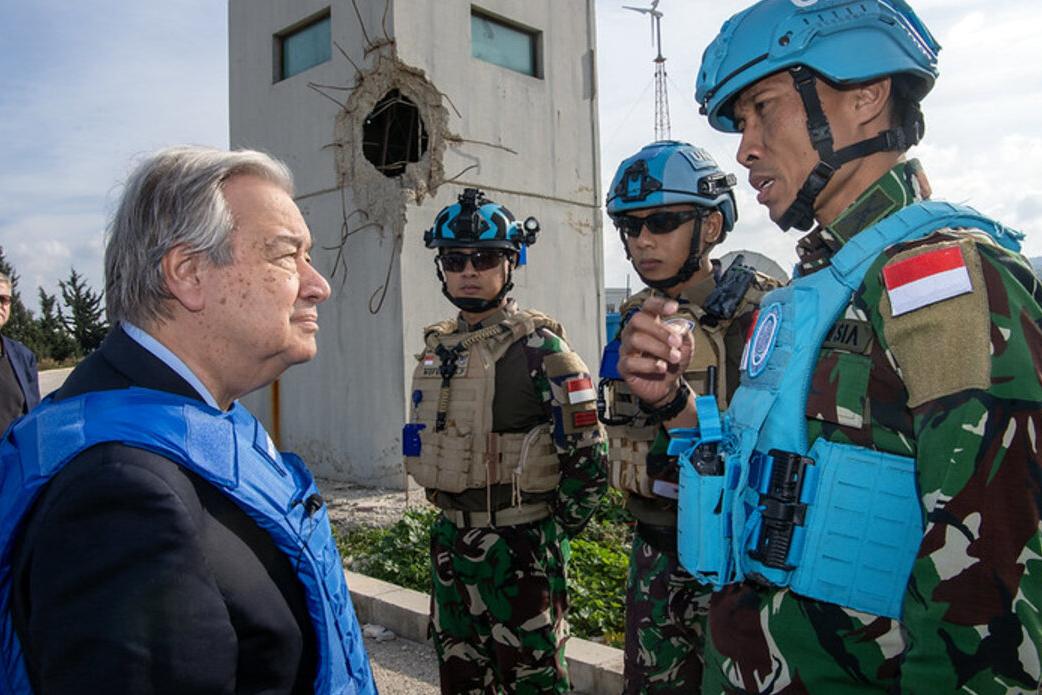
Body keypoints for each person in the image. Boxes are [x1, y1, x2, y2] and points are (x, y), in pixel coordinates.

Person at [617, 0, 1042, 691]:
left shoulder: (947, 285)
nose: (745, 147)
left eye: (763, 108)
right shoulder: (821, 290)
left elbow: (993, 593)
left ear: (867, 95)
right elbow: (787, 468)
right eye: (740, 122)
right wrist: (677, 406)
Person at [0, 146, 376, 694]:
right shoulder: (120, 494)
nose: (318, 284)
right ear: (189, 273)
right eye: (286, 255)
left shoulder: (194, 414)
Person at [403, 187, 607, 694]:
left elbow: (588, 454)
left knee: (533, 681)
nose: (468, 270)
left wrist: (546, 529)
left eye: (485, 257)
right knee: (459, 674)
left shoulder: (541, 348)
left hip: (520, 547)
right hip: (451, 542)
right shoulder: (440, 347)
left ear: (511, 263)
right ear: (441, 267)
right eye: (454, 259)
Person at [599, 140, 777, 694]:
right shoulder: (635, 317)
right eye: (629, 226)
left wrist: (676, 403)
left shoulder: (762, 314)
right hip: (654, 549)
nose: (642, 239)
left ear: (712, 226)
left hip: (736, 565)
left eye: (664, 221)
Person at [0, 273, 40, 434]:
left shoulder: (23, 357)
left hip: (12, 457)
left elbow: (33, 415)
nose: (1, 305)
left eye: (5, 299)